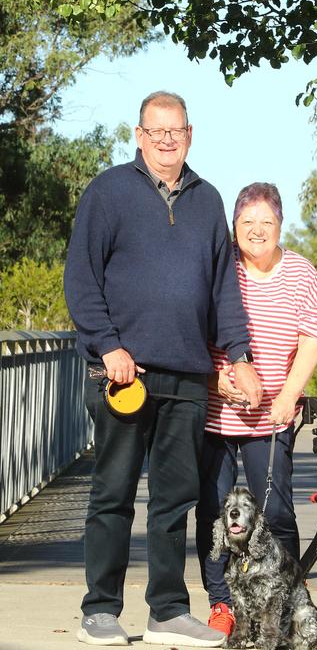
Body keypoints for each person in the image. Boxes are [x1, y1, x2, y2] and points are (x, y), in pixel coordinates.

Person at [64, 91, 263, 649]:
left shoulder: (208, 200)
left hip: (188, 378)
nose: (166, 140)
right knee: (114, 494)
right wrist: (107, 346)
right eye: (156, 132)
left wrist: (240, 357)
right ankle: (99, 610)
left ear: (190, 135)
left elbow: (225, 291)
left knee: (175, 500)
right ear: (138, 135)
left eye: (176, 131)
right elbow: (81, 278)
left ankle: (168, 612)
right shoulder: (108, 192)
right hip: (124, 375)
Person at [195, 182, 317, 636]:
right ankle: (223, 605)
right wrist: (217, 378)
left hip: (271, 420)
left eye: (265, 222)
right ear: (234, 226)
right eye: (247, 222)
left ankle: (288, 600)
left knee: (275, 513)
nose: (256, 230)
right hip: (216, 412)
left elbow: (313, 335)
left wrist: (290, 394)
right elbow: (192, 328)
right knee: (216, 511)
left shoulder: (301, 273)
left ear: (280, 225)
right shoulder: (220, 267)